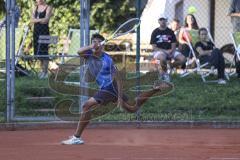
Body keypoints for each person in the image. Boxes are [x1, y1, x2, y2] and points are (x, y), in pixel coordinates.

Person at [61, 33, 173, 145]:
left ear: (102, 46)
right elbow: (79, 51)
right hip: (107, 88)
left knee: (86, 106)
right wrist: (92, 46)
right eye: (93, 42)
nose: (95, 44)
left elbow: (118, 79)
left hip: (110, 87)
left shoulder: (108, 60)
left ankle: (77, 137)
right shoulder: (89, 55)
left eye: (97, 42)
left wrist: (119, 97)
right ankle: (155, 89)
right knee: (132, 108)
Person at [150, 14, 186, 82]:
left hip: (171, 51)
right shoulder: (155, 32)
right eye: (161, 19)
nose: (162, 21)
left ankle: (170, 66)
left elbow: (174, 44)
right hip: (159, 52)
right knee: (162, 58)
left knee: (183, 59)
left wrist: (171, 51)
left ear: (166, 21)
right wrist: (165, 51)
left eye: (164, 19)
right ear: (158, 21)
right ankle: (165, 73)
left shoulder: (170, 32)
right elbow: (154, 47)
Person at [31, 0, 53, 79]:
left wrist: (37, 20)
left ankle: (45, 72)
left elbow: (46, 20)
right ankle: (42, 71)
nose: (38, 0)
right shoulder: (35, 8)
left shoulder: (48, 7)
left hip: (44, 32)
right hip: (36, 32)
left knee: (44, 52)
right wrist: (41, 20)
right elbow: (32, 20)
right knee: (38, 52)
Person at [228, 0, 240, 78]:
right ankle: (238, 71)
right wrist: (238, 14)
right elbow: (229, 13)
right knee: (238, 49)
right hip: (238, 28)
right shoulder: (235, 1)